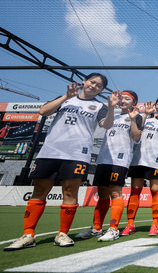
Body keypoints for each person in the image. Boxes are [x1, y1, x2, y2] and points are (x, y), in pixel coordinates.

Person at [5, 73, 118, 251]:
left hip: (77, 155)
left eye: (99, 86)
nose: (94, 86)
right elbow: (43, 111)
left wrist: (111, 107)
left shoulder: (99, 106)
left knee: (70, 192)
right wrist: (66, 96)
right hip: (50, 152)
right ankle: (28, 235)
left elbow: (108, 125)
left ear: (102, 90)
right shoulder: (65, 99)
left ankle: (62, 233)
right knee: (39, 192)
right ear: (84, 82)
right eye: (92, 82)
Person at [75, 90, 142, 242]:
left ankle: (113, 229)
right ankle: (97, 228)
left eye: (127, 99)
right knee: (102, 194)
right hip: (103, 159)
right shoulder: (112, 115)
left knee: (115, 193)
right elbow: (105, 126)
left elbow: (135, 136)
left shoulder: (136, 117)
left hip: (119, 161)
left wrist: (132, 120)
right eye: (121, 98)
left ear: (134, 103)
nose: (123, 101)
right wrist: (111, 107)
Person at [121, 96, 158, 237]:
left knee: (155, 190)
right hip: (139, 159)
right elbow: (136, 134)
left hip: (156, 161)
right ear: (155, 106)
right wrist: (145, 114)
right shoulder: (146, 119)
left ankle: (155, 224)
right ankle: (130, 224)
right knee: (135, 191)